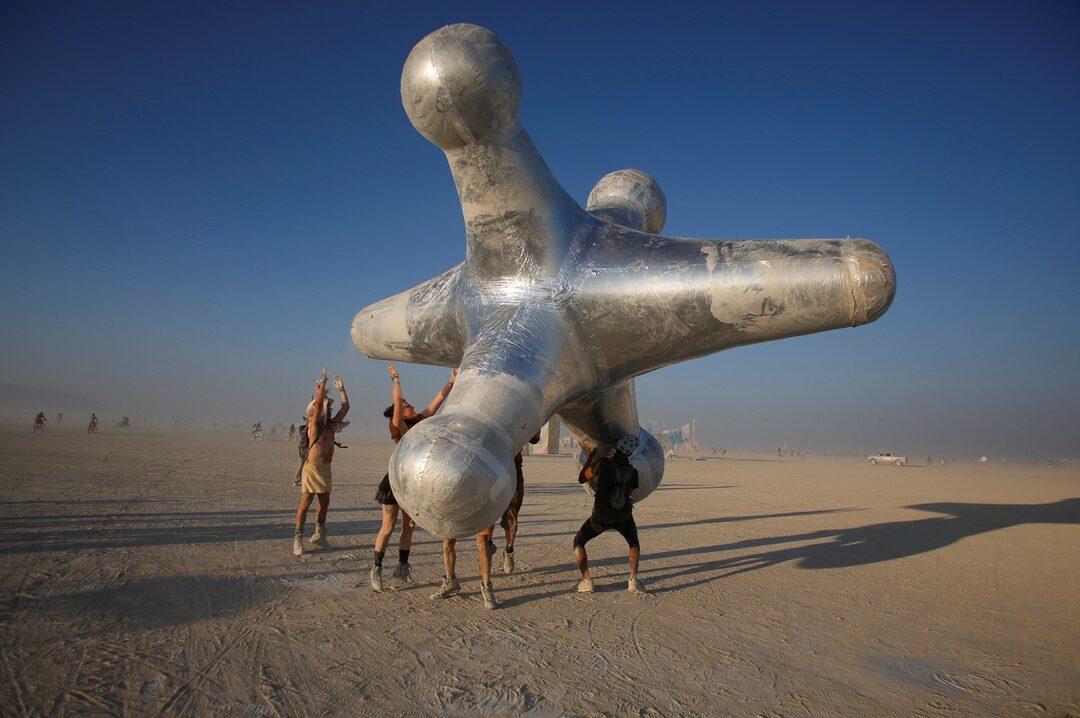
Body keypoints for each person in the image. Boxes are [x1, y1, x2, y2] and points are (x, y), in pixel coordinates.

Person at [370, 363, 457, 591]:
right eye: (406, 405)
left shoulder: (419, 421)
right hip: (394, 481)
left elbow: (436, 403)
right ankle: (376, 568)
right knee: (388, 527)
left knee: (408, 527)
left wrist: (451, 381)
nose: (411, 406)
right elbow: (398, 402)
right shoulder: (397, 426)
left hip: (411, 484)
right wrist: (396, 378)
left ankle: (402, 568)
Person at [573, 434, 646, 594]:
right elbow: (630, 491)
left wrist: (592, 455)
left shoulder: (603, 464)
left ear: (618, 447)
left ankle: (586, 581)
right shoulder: (633, 472)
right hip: (623, 515)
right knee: (633, 543)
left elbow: (581, 478)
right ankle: (633, 580)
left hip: (601, 516)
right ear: (630, 453)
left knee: (579, 541)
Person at [293, 371, 349, 556]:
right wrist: (321, 388)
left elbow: (346, 407)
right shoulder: (314, 425)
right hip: (312, 468)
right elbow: (317, 407)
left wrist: (342, 390)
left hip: (325, 469)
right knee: (305, 503)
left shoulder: (331, 426)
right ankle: (298, 538)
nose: (329, 410)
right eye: (327, 407)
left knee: (324, 502)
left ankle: (319, 534)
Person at [498, 432, 542, 574]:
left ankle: (509, 551)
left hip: (514, 473)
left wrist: (539, 419)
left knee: (512, 518)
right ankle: (487, 546)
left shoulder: (516, 415)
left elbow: (535, 439)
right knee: (486, 519)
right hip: (491, 472)